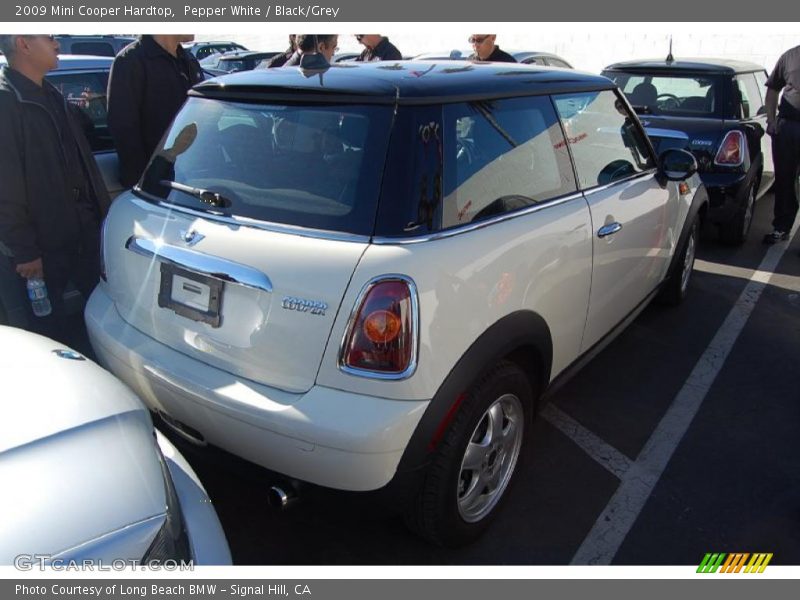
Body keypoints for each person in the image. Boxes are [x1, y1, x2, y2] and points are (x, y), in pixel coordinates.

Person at [0, 34, 110, 342]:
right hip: (42, 244)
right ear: (23, 43)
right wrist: (24, 251)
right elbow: (5, 187)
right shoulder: (7, 101)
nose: (57, 44)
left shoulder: (50, 93)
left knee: (101, 313)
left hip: (81, 230)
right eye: (49, 38)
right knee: (48, 329)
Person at [107, 35, 204, 188]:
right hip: (157, 185)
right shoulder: (131, 61)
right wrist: (145, 185)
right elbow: (124, 131)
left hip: (194, 179)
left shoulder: (188, 61)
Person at [763, 44, 800, 244]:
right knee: (785, 180)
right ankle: (781, 228)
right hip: (788, 128)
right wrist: (771, 120)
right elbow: (773, 89)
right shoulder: (789, 57)